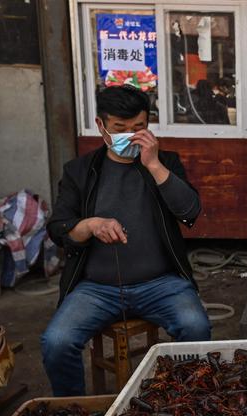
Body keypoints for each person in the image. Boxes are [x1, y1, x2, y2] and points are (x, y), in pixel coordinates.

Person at [42, 86, 211, 396]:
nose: (129, 136)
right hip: (96, 288)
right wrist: (90, 225)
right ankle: (74, 413)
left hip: (161, 283)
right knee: (57, 342)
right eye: (119, 129)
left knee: (196, 328)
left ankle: (184, 404)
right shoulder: (80, 171)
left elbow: (190, 212)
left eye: (139, 128)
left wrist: (154, 164)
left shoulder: (165, 162)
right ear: (101, 126)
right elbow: (58, 229)